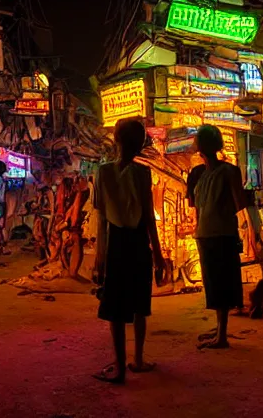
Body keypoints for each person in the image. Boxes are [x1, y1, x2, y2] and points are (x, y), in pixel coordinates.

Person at [91, 119, 165, 384]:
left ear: (116, 140)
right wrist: (157, 255)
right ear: (141, 144)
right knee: (139, 303)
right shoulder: (143, 174)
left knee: (115, 307)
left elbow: (101, 220)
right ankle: (139, 359)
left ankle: (120, 367)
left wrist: (100, 258)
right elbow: (148, 219)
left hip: (116, 243)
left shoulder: (103, 172)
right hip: (138, 243)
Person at [187, 125, 253, 350]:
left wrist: (250, 234)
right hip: (205, 234)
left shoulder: (227, 172)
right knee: (213, 283)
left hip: (223, 234)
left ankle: (222, 334)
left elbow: (239, 205)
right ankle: (219, 328)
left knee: (223, 282)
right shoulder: (198, 173)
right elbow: (196, 206)